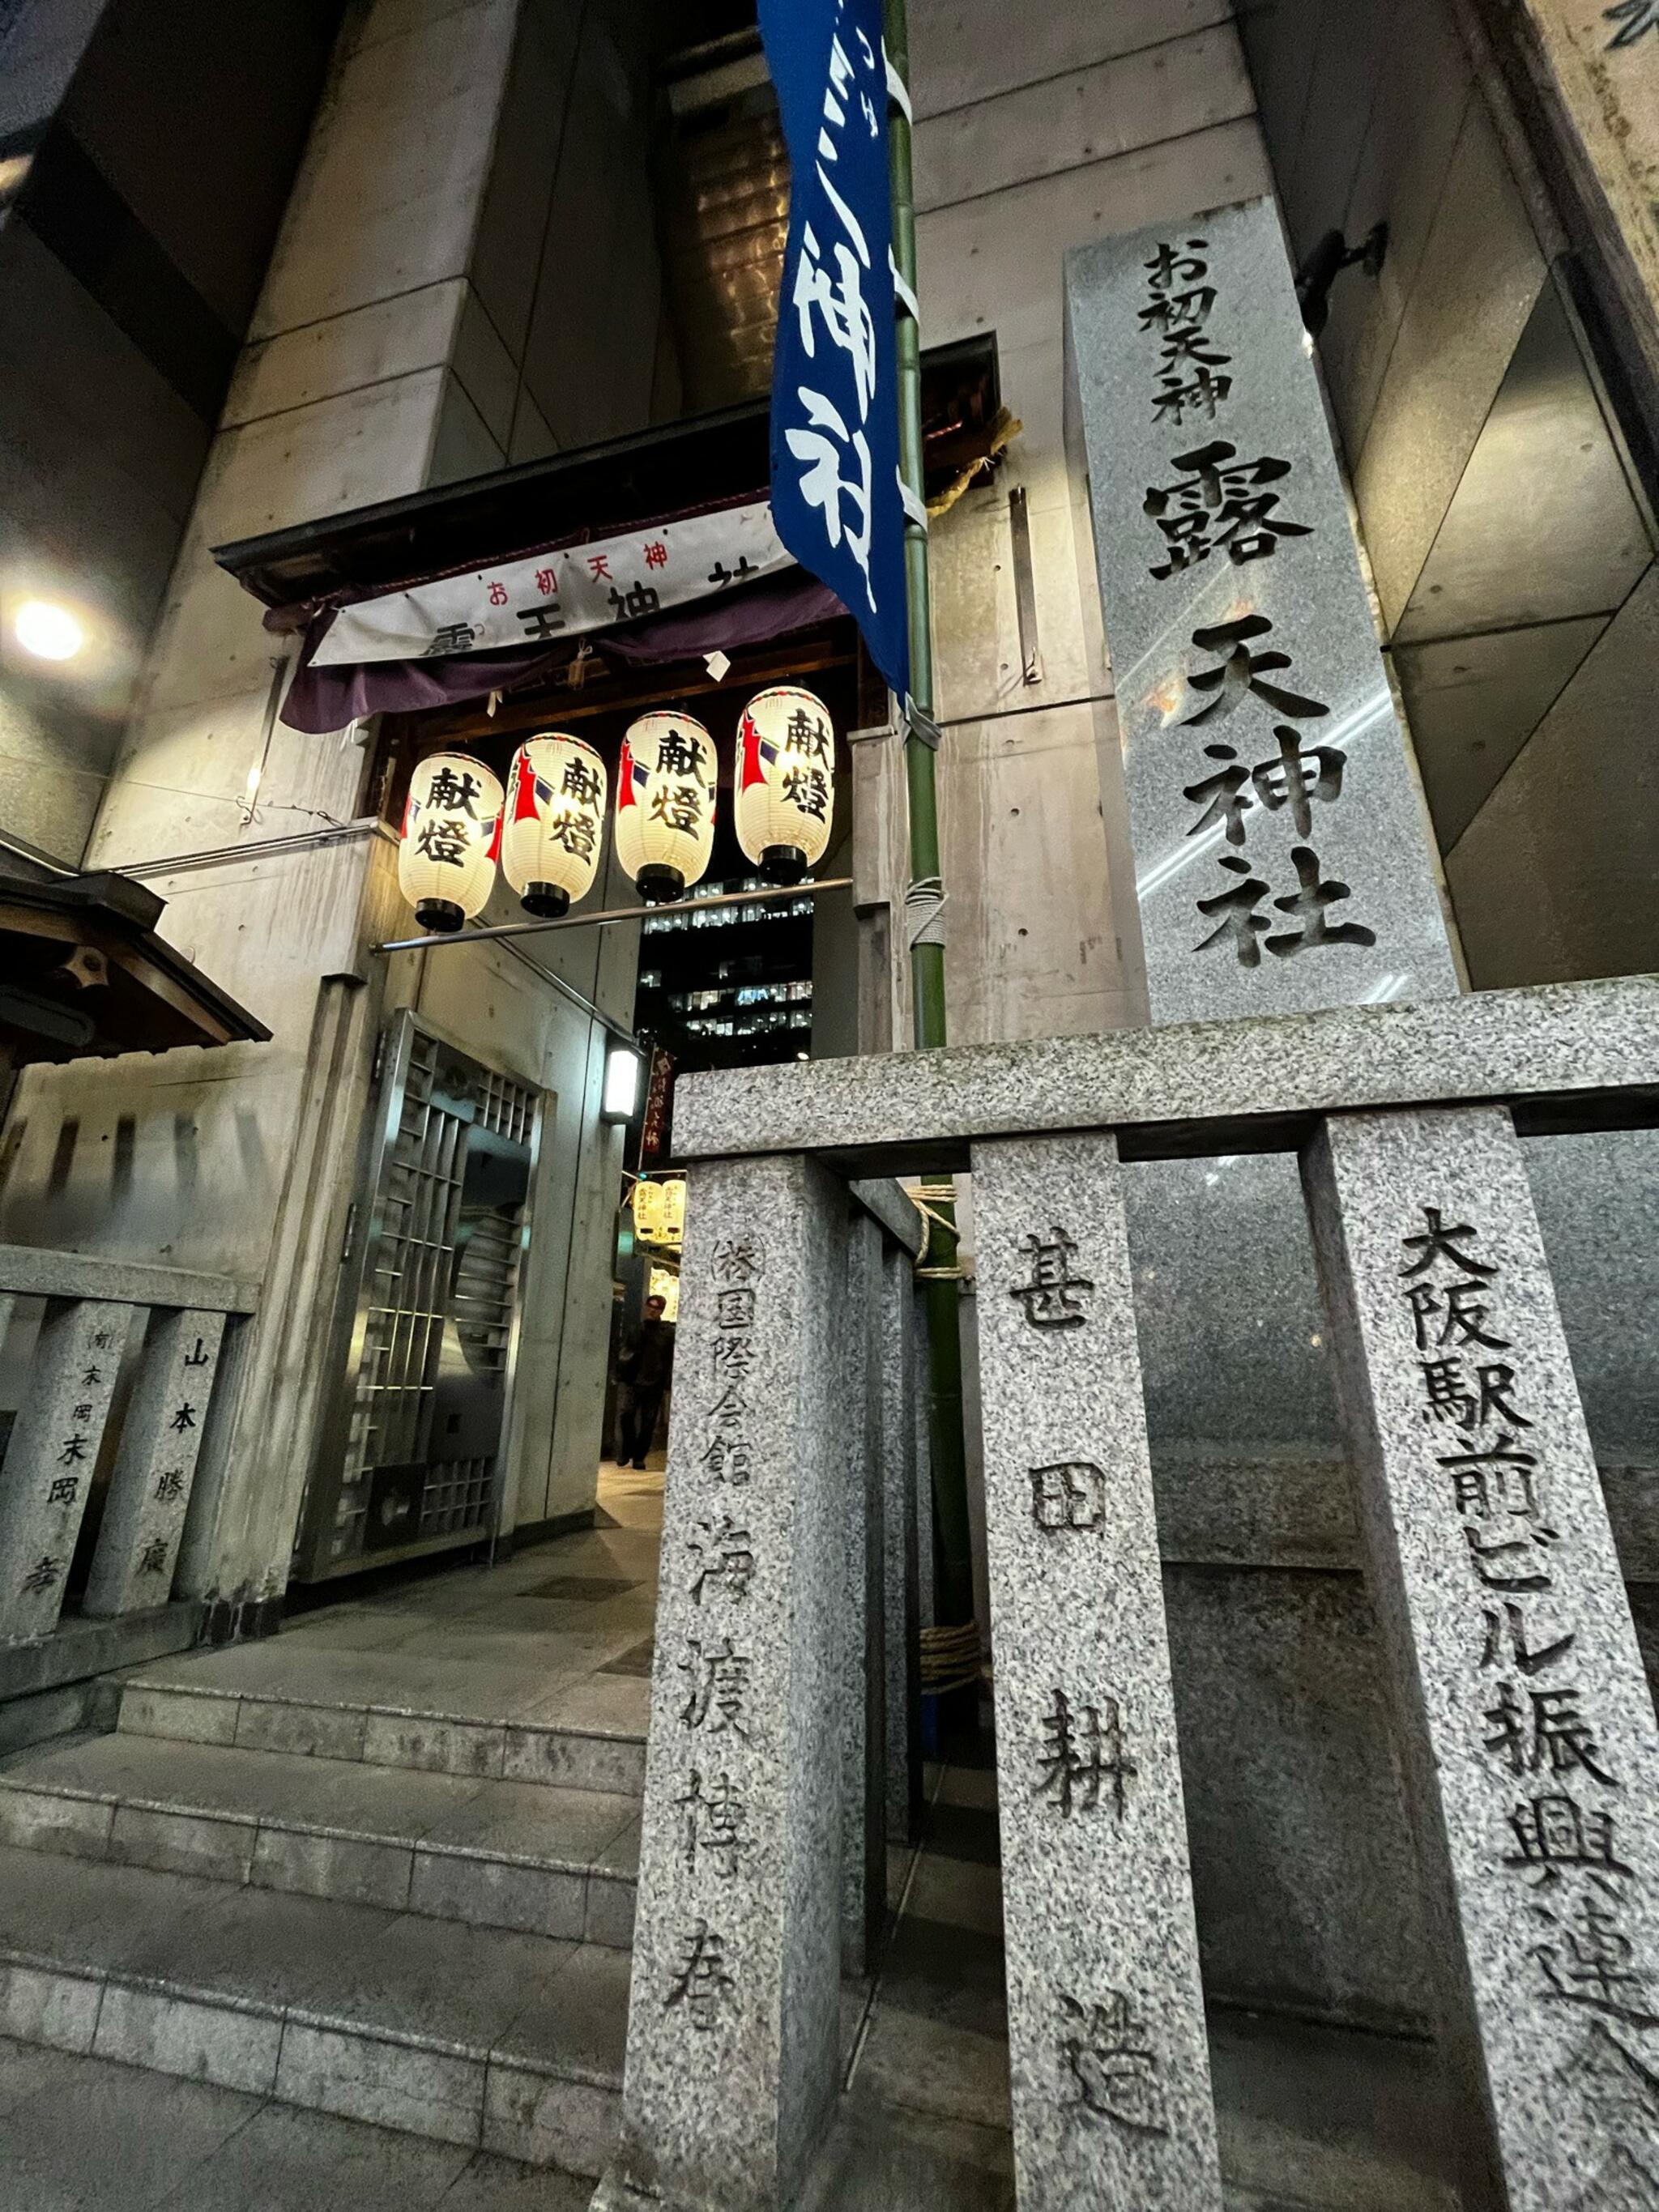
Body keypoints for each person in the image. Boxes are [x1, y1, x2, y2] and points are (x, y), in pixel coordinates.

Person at [616, 1292, 674, 1469]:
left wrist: (667, 1382)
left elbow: (670, 1359)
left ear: (662, 1311)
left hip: (654, 1383)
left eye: (657, 1308)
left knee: (648, 1424)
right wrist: (619, 1374)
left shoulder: (667, 1333)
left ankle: (639, 1457)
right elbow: (625, 1352)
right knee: (626, 1416)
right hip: (634, 1381)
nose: (652, 1311)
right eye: (650, 1306)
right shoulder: (636, 1329)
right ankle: (627, 1450)